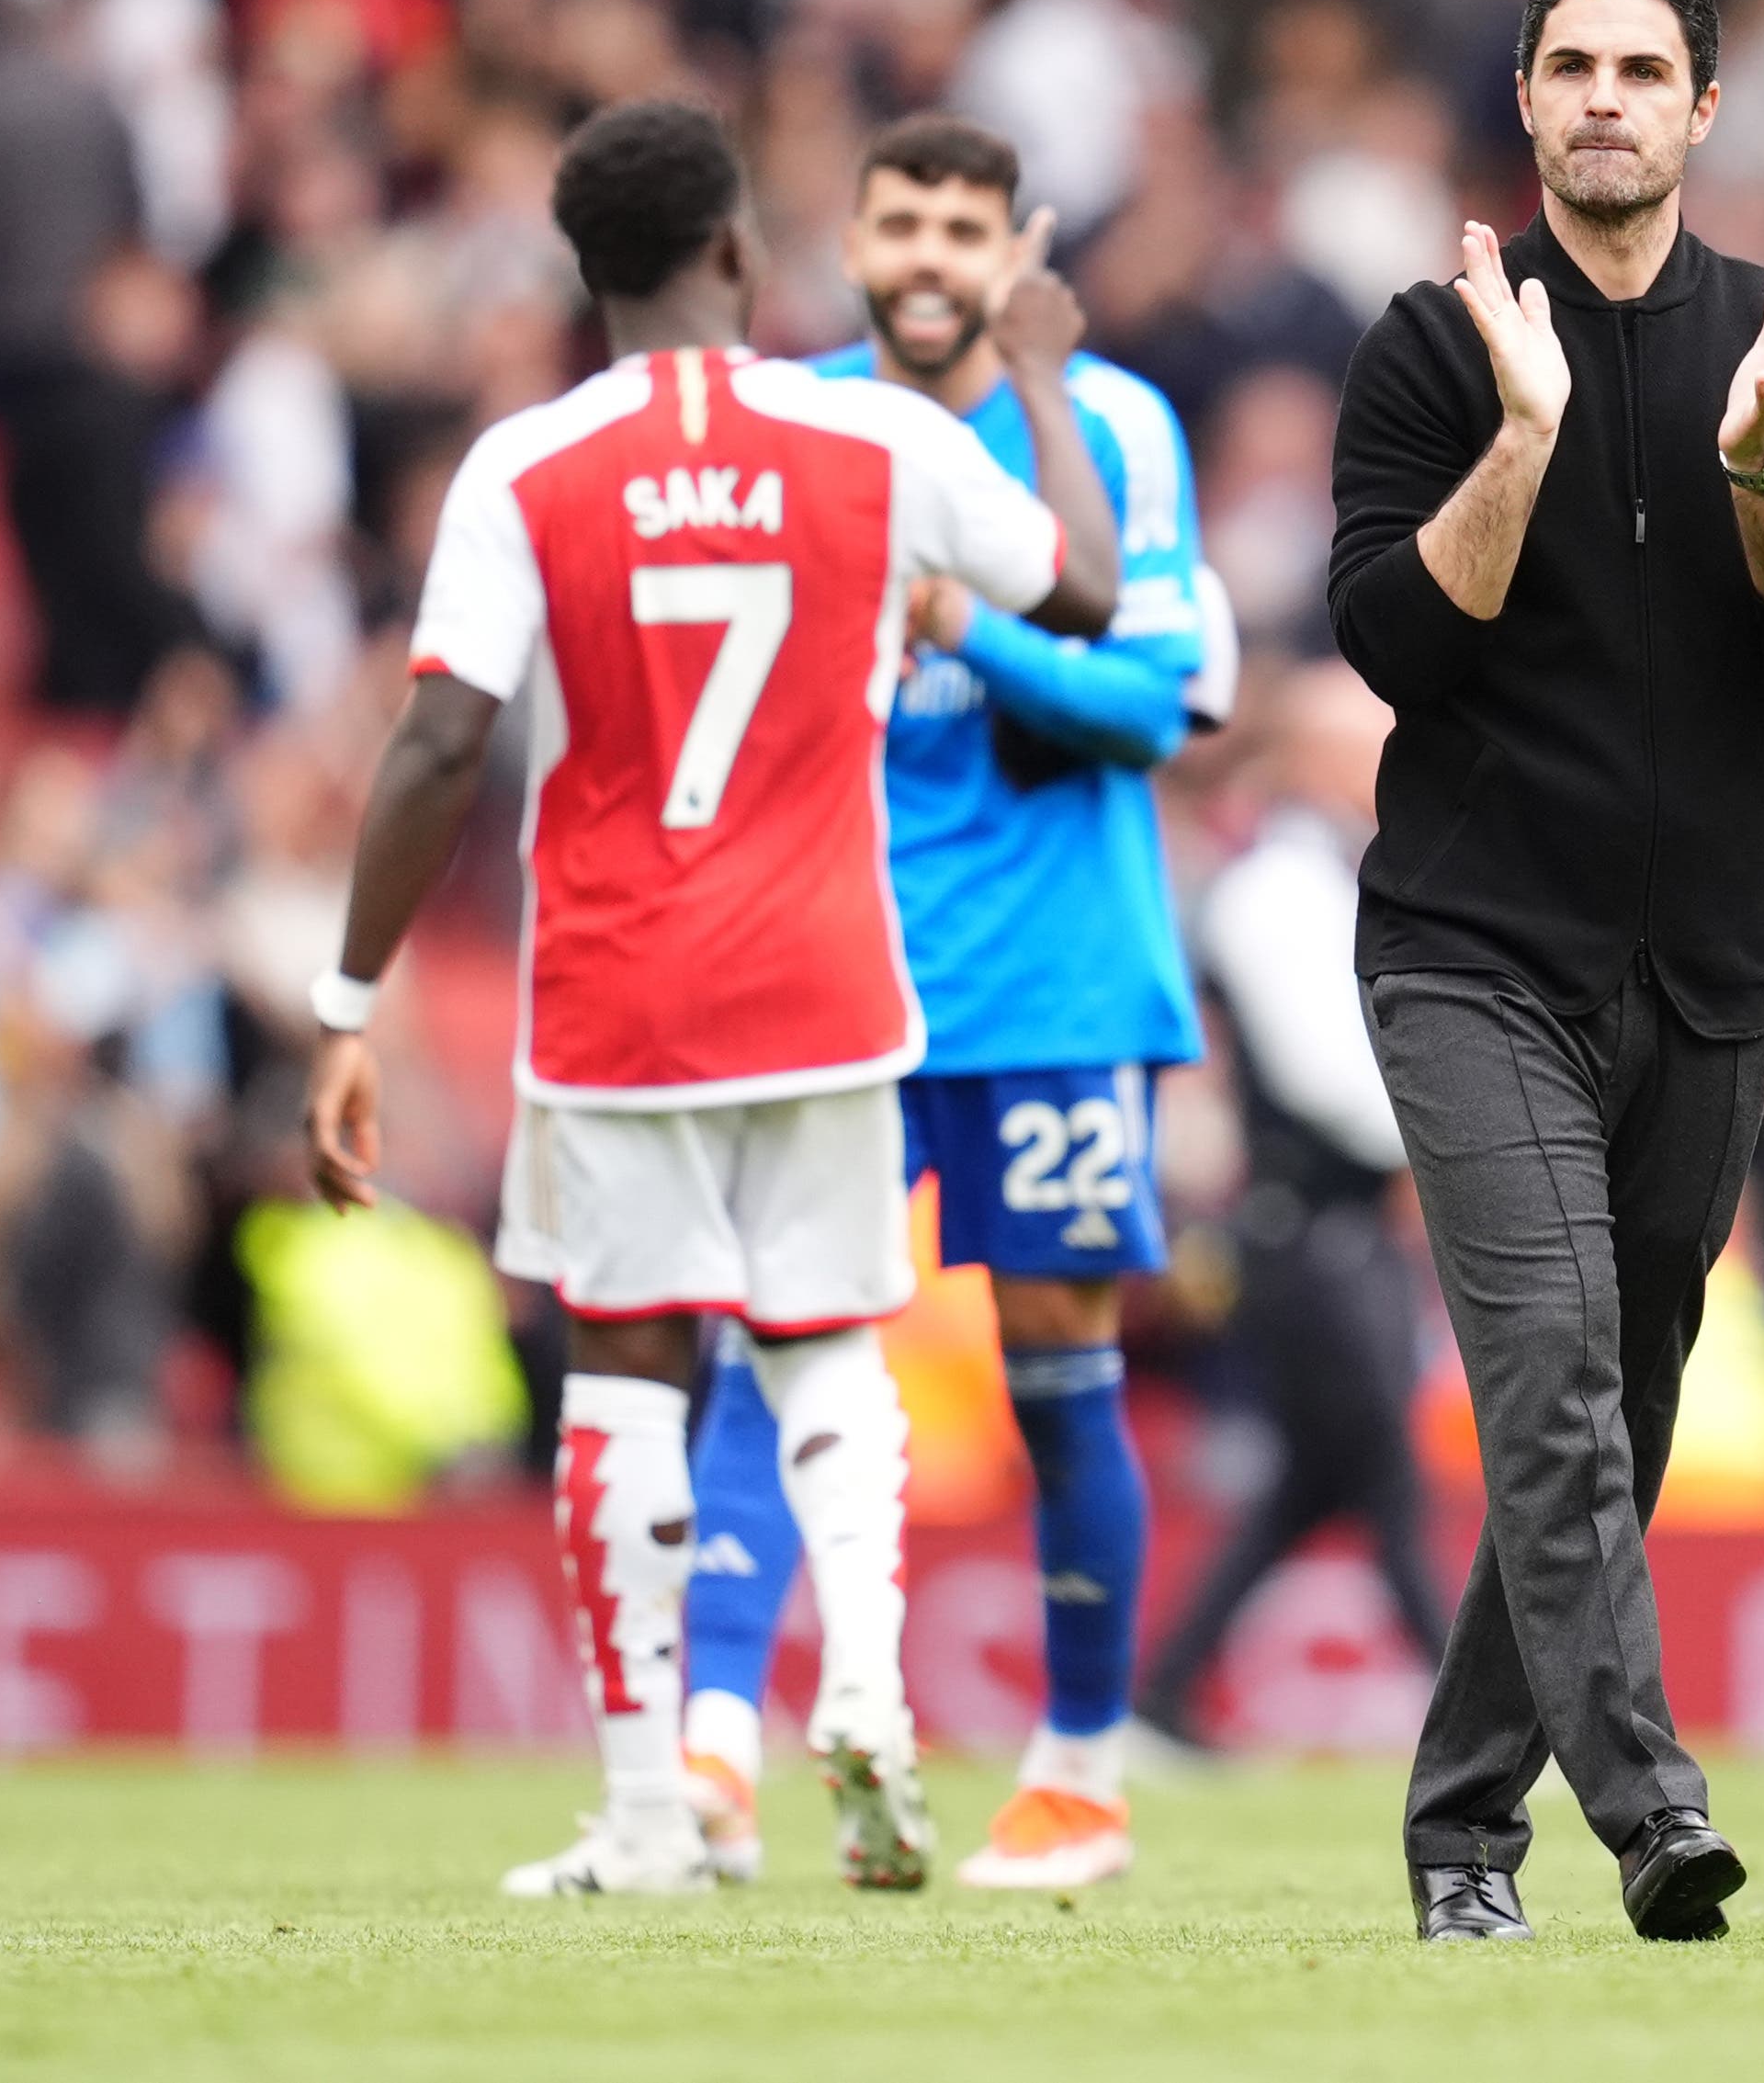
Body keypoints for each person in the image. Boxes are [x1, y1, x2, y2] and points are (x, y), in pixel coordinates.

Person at [301, 96, 1124, 1897]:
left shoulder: (524, 466)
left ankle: (650, 1802)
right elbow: (1082, 585)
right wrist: (1044, 377)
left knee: (629, 1367)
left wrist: (348, 996)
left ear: (582, 271)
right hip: (829, 974)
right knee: (827, 1341)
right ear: (744, 254)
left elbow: (442, 734)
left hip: (614, 994)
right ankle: (874, 1699)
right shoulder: (869, 438)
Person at [1326, 0, 1764, 1943]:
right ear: (1525, 100)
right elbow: (1390, 637)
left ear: (1701, 110)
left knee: (1618, 1404)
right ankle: (1652, 1808)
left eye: (1642, 69)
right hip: (1472, 950)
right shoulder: (1431, 342)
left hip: (1710, 972)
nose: (1603, 98)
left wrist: (1758, 465)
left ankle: (1461, 1822)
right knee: (1553, 1362)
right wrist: (1525, 430)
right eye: (1570, 64)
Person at [673, 114, 1227, 1894]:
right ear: (846, 235)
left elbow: (1147, 710)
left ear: (1016, 246)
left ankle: (1075, 1770)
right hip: (833, 973)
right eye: (898, 220)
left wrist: (954, 622)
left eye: (961, 227)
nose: (927, 255)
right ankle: (705, 1750)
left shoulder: (1117, 425)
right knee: (768, 1343)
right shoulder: (791, 425)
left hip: (1055, 974)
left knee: (1059, 1371)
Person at [1137, 661, 1450, 1742]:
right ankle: (1496, 1724)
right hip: (1303, 1236)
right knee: (1390, 1487)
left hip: (1331, 1234)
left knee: (1313, 1489)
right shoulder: (1278, 887)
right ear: (1317, 756)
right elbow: (1333, 1085)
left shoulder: (1324, 878)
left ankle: (1163, 1697)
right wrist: (1459, 1134)